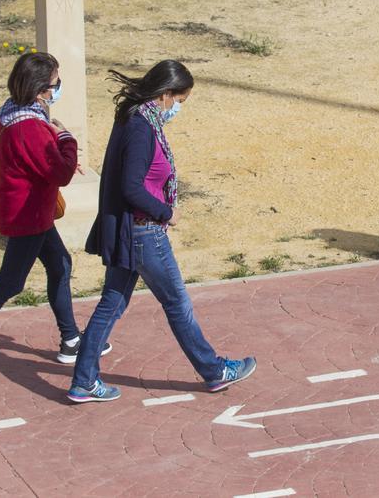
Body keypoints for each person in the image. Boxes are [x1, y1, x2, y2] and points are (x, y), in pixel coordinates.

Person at [69, 60, 256, 402]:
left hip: (129, 232)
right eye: (180, 100)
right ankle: (214, 371)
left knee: (111, 303)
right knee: (177, 303)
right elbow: (132, 187)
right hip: (144, 232)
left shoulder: (133, 116)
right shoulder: (142, 127)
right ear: (166, 94)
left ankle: (83, 380)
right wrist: (167, 213)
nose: (179, 107)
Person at [0, 52, 107, 381]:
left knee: (60, 265)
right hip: (28, 215)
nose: (58, 88)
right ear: (41, 89)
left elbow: (36, 158)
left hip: (24, 207)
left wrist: (55, 145)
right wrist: (67, 139)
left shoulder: (8, 111)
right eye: (56, 83)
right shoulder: (32, 127)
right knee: (9, 283)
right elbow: (61, 173)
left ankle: (71, 340)